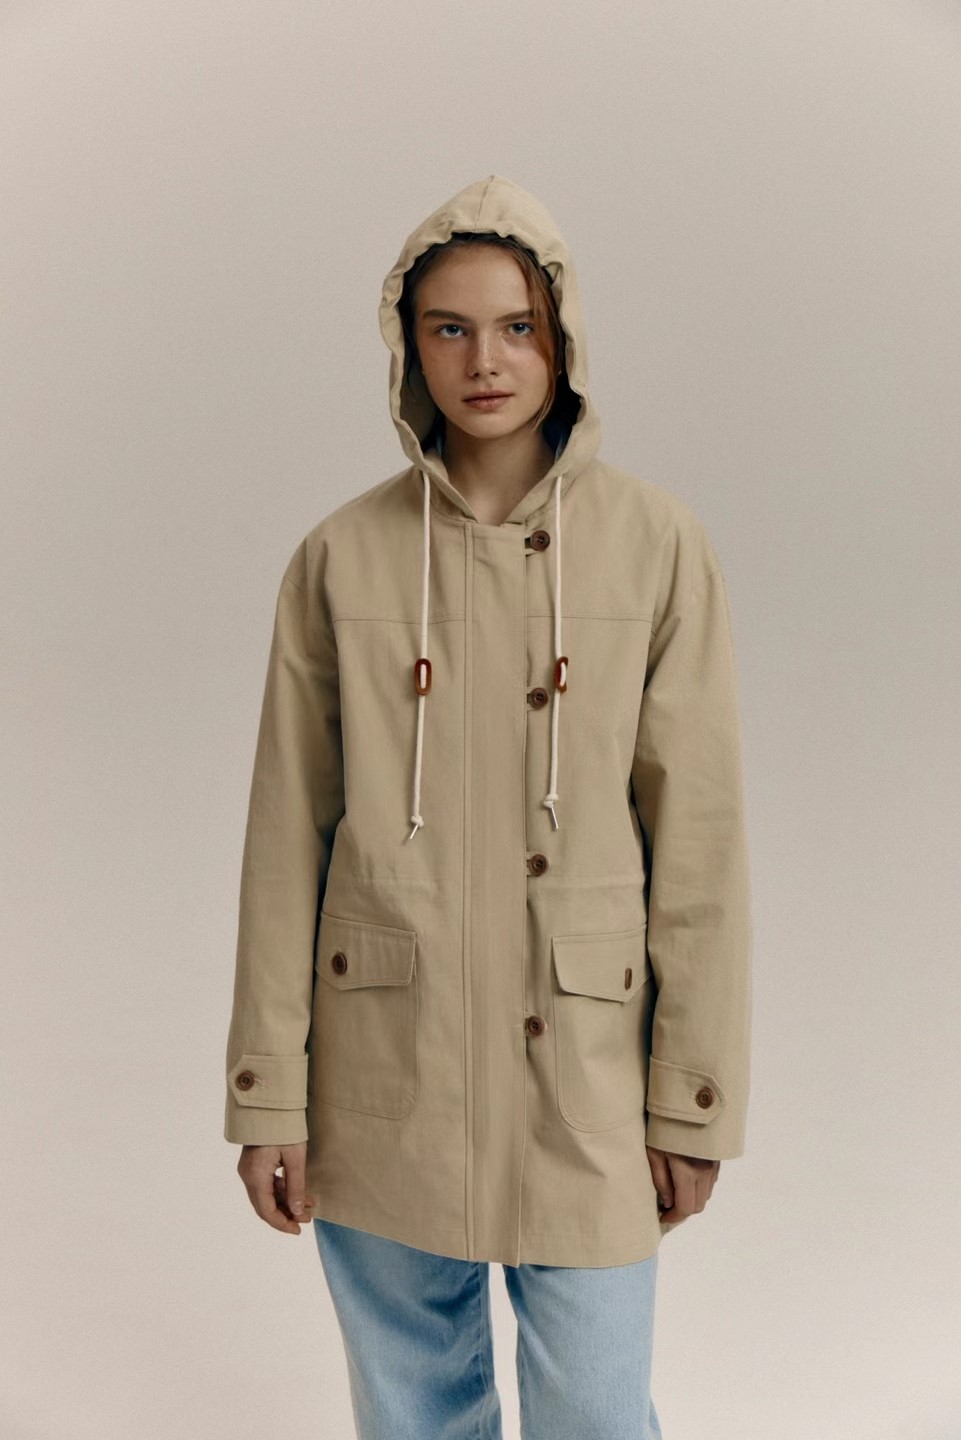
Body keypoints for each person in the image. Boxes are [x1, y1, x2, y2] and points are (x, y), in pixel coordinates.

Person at [223, 173, 753, 1440]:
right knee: (412, 1416)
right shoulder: (341, 558)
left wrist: (691, 1097)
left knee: (596, 1413)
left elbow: (699, 848)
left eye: (516, 326)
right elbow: (285, 840)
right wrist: (268, 1096)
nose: (484, 360)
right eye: (448, 328)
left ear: (562, 338)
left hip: (585, 1080)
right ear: (408, 347)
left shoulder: (656, 546)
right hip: (383, 1077)